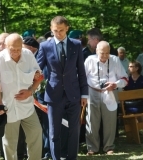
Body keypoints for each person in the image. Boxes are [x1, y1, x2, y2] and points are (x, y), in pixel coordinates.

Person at [36, 16, 88, 160]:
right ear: (51, 29)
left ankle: (72, 157)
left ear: (67, 29)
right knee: (54, 132)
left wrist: (85, 94)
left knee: (74, 130)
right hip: (54, 94)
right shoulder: (45, 46)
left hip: (74, 94)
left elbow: (81, 71)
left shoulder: (76, 45)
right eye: (55, 31)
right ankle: (56, 158)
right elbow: (37, 69)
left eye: (61, 30)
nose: (58, 33)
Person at [0, 33, 42, 160]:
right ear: (6, 46)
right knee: (10, 143)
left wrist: (31, 91)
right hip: (9, 107)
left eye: (19, 49)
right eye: (13, 49)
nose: (16, 52)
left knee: (36, 132)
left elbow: (39, 76)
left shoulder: (28, 55)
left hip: (27, 106)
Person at [84, 41, 128, 155]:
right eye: (102, 53)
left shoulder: (115, 60)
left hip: (110, 93)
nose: (104, 56)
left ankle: (109, 147)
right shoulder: (89, 60)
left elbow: (125, 78)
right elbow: (82, 79)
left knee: (110, 122)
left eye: (107, 53)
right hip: (93, 92)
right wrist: (83, 95)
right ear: (96, 51)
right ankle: (92, 148)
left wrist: (116, 84)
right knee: (92, 120)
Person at [123, 61, 143, 135]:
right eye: (129, 66)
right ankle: (132, 130)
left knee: (139, 110)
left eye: (131, 66)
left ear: (137, 68)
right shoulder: (127, 80)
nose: (129, 68)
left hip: (142, 102)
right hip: (130, 103)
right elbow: (124, 91)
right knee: (127, 109)